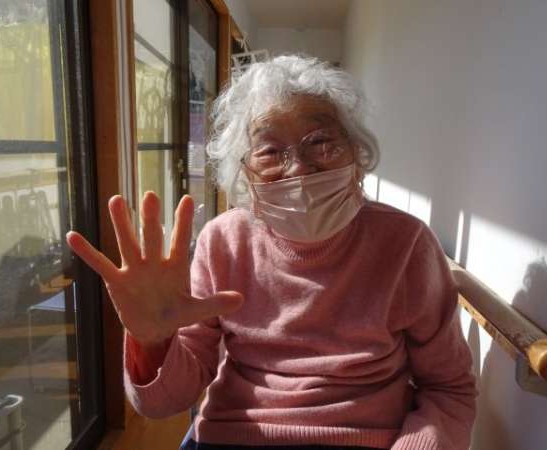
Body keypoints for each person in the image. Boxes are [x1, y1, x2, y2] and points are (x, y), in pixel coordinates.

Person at [67, 55, 477, 450]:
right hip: (235, 437)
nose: (298, 168)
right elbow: (164, 403)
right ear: (244, 174)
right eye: (268, 151)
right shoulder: (223, 241)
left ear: (357, 153)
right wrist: (153, 342)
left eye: (321, 142)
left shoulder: (405, 243)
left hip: (366, 437)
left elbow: (448, 388)